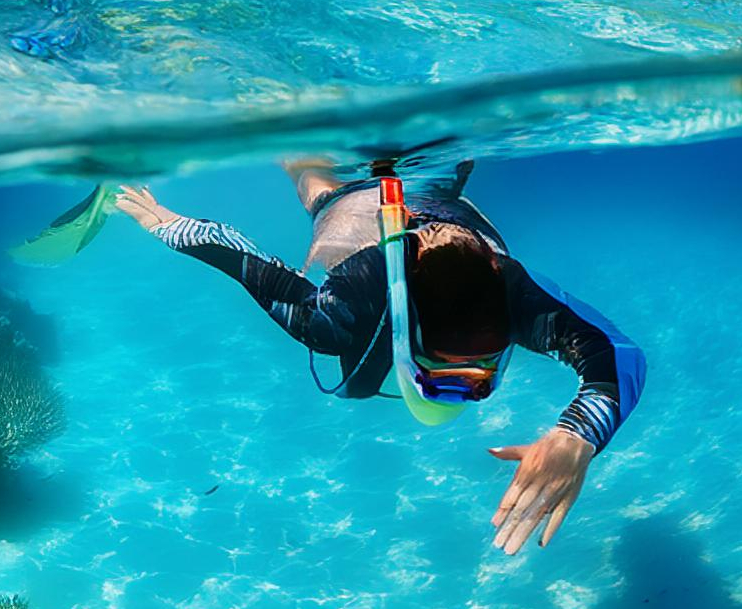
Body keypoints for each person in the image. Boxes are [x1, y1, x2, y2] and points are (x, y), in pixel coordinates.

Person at [111, 158, 644, 556]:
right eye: (470, 375)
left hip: (389, 203)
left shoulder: (494, 299)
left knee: (324, 183)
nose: (467, 374)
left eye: (466, 376)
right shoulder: (500, 300)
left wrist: (167, 224)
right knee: (379, 170)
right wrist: (579, 434)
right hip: (405, 197)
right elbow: (616, 355)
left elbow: (242, 258)